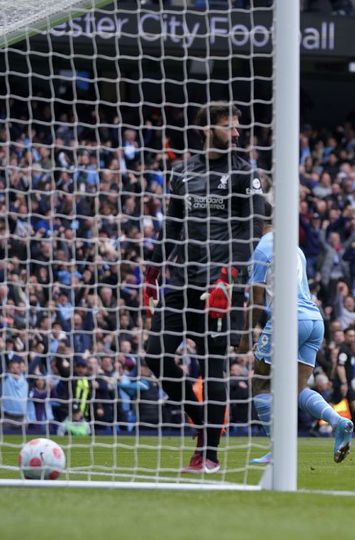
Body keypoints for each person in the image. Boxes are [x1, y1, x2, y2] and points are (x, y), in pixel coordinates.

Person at [143, 102, 264, 473]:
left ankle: (208, 455)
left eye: (238, 126)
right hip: (182, 280)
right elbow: (172, 228)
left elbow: (252, 230)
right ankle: (200, 419)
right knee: (155, 354)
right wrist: (152, 274)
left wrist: (229, 277)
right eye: (230, 126)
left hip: (221, 285)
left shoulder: (246, 174)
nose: (238, 132)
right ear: (207, 129)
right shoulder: (181, 172)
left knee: (213, 368)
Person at [239, 221, 354, 465]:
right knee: (295, 389)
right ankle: (338, 422)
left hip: (288, 318)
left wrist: (245, 337)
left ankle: (277, 450)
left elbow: (257, 300)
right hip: (314, 319)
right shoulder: (295, 248)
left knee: (261, 384)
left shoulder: (261, 249)